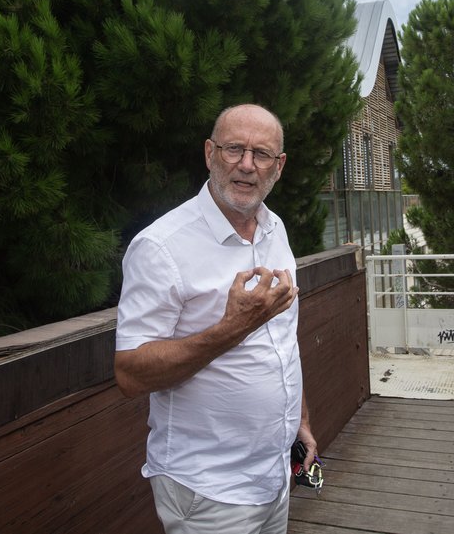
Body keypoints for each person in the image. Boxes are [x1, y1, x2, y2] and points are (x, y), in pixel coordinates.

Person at [113, 103, 317, 534]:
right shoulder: (161, 246)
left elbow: (282, 343)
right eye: (233, 149)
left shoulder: (273, 228)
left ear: (278, 166)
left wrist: (298, 422)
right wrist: (234, 327)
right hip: (208, 491)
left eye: (261, 154)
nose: (246, 165)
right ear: (209, 153)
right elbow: (130, 373)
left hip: (274, 475)